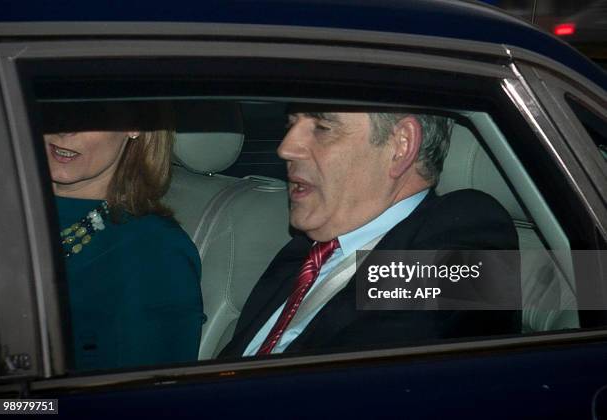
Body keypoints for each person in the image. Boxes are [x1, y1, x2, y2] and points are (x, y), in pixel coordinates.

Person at [219, 110, 521, 358]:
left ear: (401, 146)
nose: (286, 147)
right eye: (291, 124)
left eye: (322, 126)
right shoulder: (305, 252)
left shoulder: (467, 230)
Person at [43, 102, 204, 371]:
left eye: (88, 111)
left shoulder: (156, 251)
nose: (65, 128)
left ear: (135, 126)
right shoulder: (13, 210)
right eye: (54, 104)